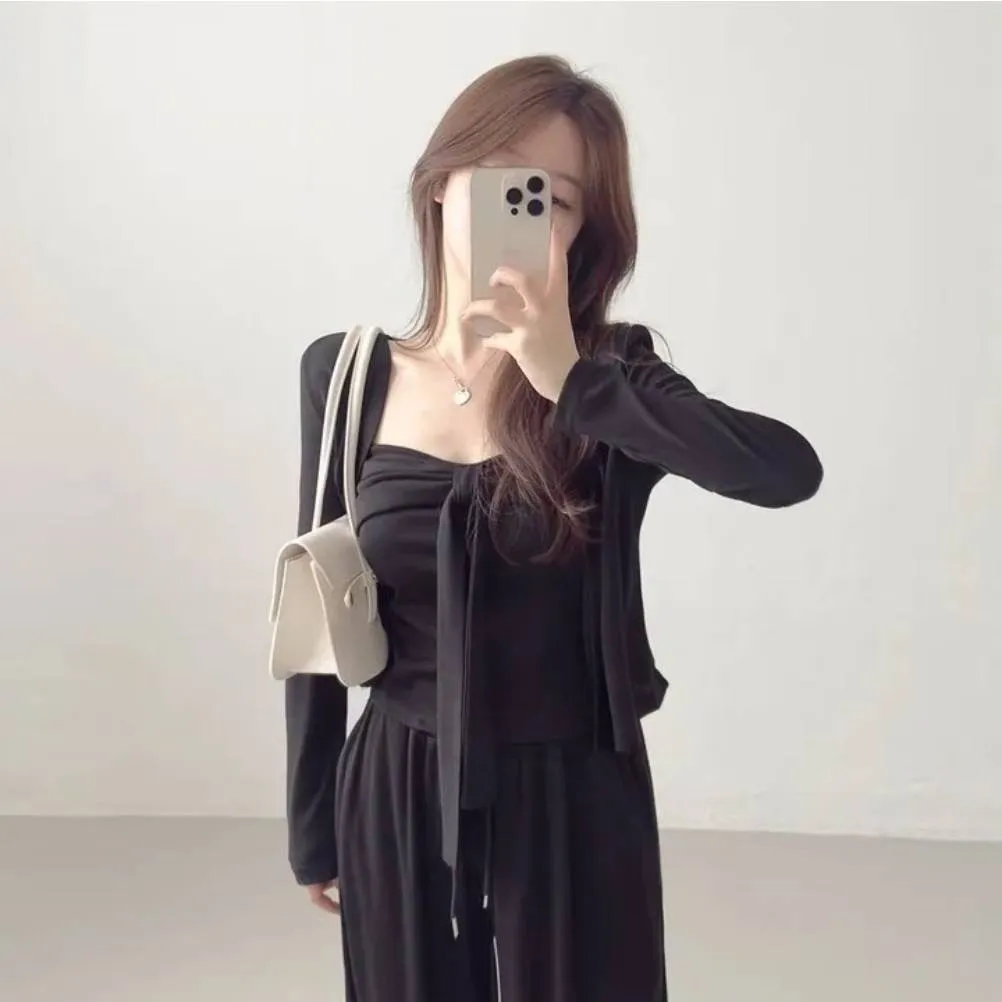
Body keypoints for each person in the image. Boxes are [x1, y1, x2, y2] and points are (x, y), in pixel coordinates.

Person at [285, 55, 823, 1002]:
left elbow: (785, 471)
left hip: (576, 791)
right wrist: (313, 823)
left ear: (582, 232)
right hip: (400, 781)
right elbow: (316, 609)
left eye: (553, 198)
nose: (520, 208)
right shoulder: (347, 374)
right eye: (497, 175)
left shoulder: (613, 376)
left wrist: (572, 382)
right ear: (440, 183)